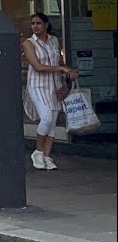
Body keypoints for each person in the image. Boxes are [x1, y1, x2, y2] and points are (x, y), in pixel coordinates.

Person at [22, 12, 76, 171]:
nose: (35, 26)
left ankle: (46, 155)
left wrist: (68, 72)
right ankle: (38, 152)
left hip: (54, 86)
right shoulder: (29, 43)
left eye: (38, 23)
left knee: (52, 122)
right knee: (45, 118)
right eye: (33, 23)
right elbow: (37, 67)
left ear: (46, 25)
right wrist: (60, 68)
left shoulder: (54, 41)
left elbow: (60, 62)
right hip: (37, 86)